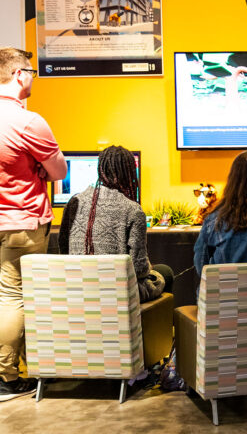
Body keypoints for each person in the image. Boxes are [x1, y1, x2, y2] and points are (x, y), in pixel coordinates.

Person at [0, 47, 66, 402]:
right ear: (18, 75)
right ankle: (6, 377)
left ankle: (23, 368)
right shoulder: (28, 121)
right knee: (15, 299)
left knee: (4, 297)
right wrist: (39, 167)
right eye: (31, 72)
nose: (32, 78)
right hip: (22, 224)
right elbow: (59, 171)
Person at [59, 145, 173, 302]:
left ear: (101, 169)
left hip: (78, 288)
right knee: (165, 272)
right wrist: (149, 267)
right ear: (130, 174)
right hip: (116, 293)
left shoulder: (74, 202)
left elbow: (63, 250)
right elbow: (138, 270)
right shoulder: (133, 210)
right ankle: (144, 326)